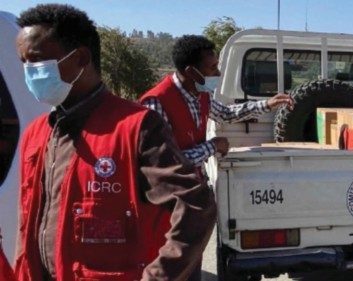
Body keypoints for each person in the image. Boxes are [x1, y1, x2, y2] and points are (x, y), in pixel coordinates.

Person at [14, 4, 215, 281]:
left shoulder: (136, 127)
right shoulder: (37, 133)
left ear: (81, 58)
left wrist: (159, 276)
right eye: (23, 62)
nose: (28, 71)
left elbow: (196, 205)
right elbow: (27, 225)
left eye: (36, 62)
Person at [140, 35, 294, 171]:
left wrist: (267, 104)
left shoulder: (201, 95)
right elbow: (164, 162)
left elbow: (226, 114)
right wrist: (212, 146)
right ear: (191, 72)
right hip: (169, 196)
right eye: (213, 68)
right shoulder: (156, 103)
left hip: (192, 184)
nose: (218, 74)